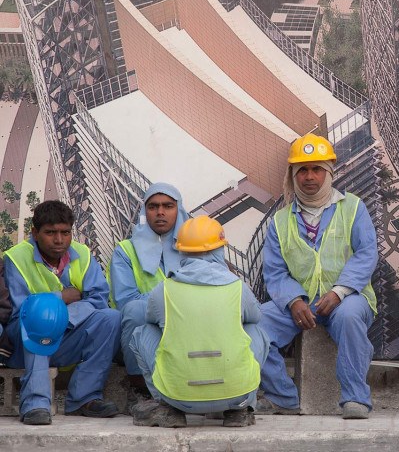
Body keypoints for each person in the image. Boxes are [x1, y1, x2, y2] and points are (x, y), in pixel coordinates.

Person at [256, 133, 378, 419]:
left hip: (350, 299)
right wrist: (293, 301)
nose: (309, 177)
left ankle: (355, 399)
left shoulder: (353, 208)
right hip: (302, 304)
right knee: (255, 326)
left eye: (317, 169)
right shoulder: (280, 221)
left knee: (348, 317)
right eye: (302, 171)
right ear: (293, 175)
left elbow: (366, 254)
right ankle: (284, 398)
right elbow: (274, 271)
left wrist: (339, 292)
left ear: (329, 172)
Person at [128, 215, 268, 428]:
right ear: (219, 250)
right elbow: (255, 317)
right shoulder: (237, 287)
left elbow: (151, 320)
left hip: (179, 397)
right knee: (256, 331)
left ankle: (166, 407)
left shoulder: (164, 289)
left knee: (143, 332)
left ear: (180, 251)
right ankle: (241, 409)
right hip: (234, 394)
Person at [3, 200, 120, 425]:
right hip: (24, 343)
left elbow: (98, 299)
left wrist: (64, 318)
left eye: (65, 232)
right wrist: (60, 299)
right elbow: (18, 312)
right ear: (35, 233)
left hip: (66, 335)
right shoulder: (16, 258)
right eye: (50, 233)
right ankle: (35, 404)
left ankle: (85, 398)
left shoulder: (83, 254)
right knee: (40, 318)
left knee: (111, 318)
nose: (59, 240)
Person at [107, 183, 189, 411]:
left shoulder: (196, 246)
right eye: (153, 206)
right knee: (134, 310)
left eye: (168, 206)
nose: (160, 212)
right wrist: (175, 298)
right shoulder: (125, 250)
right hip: (149, 328)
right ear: (145, 212)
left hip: (188, 325)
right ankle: (139, 388)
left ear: (179, 210)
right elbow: (126, 301)